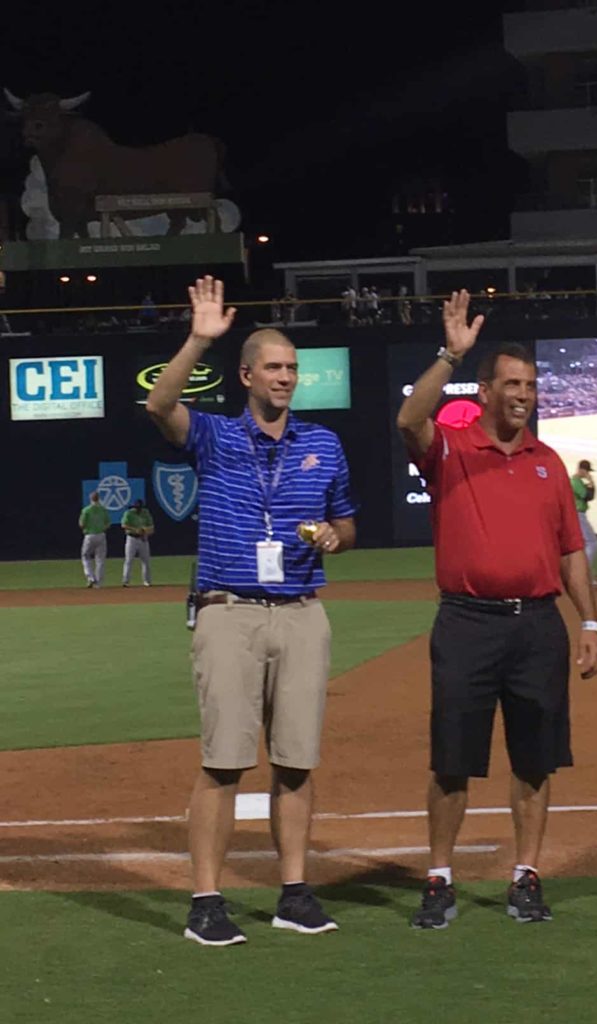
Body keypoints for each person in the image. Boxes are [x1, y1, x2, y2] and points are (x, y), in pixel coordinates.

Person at [147, 276, 357, 946]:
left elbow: (347, 524)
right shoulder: (212, 436)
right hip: (228, 610)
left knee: (296, 761)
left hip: (299, 610)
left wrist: (333, 537)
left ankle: (294, 892)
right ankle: (205, 900)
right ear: (245, 375)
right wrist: (197, 338)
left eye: (293, 368)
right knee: (223, 761)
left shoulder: (322, 444)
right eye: (274, 367)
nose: (286, 377)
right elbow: (159, 403)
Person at [396, 290, 597, 930]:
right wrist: (447, 354)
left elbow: (571, 550)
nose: (524, 393)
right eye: (512, 382)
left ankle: (526, 876)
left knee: (535, 760)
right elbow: (408, 421)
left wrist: (589, 621)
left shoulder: (548, 463)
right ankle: (440, 878)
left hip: (538, 625)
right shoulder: (452, 450)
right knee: (453, 761)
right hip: (466, 624)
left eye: (531, 384)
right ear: (483, 390)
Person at [571, 460, 597, 586]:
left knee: (584, 545)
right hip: (578, 515)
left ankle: (586, 577)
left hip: (578, 515)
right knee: (593, 543)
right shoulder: (575, 482)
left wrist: (590, 483)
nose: (588, 474)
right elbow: (588, 496)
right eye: (587, 471)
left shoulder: (576, 481)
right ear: (582, 470)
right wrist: (591, 482)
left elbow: (590, 495)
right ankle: (583, 575)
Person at [78, 491, 110, 588]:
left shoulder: (86, 510)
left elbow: (81, 524)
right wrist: (101, 529)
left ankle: (91, 577)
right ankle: (98, 583)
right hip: (101, 535)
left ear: (90, 498)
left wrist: (86, 528)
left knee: (85, 556)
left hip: (90, 535)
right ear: (98, 498)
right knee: (100, 559)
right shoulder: (103, 509)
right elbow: (108, 523)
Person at [121, 498, 155, 587]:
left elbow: (151, 526)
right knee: (129, 560)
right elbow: (124, 525)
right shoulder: (129, 513)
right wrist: (135, 530)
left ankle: (147, 581)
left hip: (143, 538)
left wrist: (145, 531)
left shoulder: (145, 513)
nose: (138, 509)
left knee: (146, 561)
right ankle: (126, 581)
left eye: (139, 508)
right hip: (132, 538)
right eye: (136, 508)